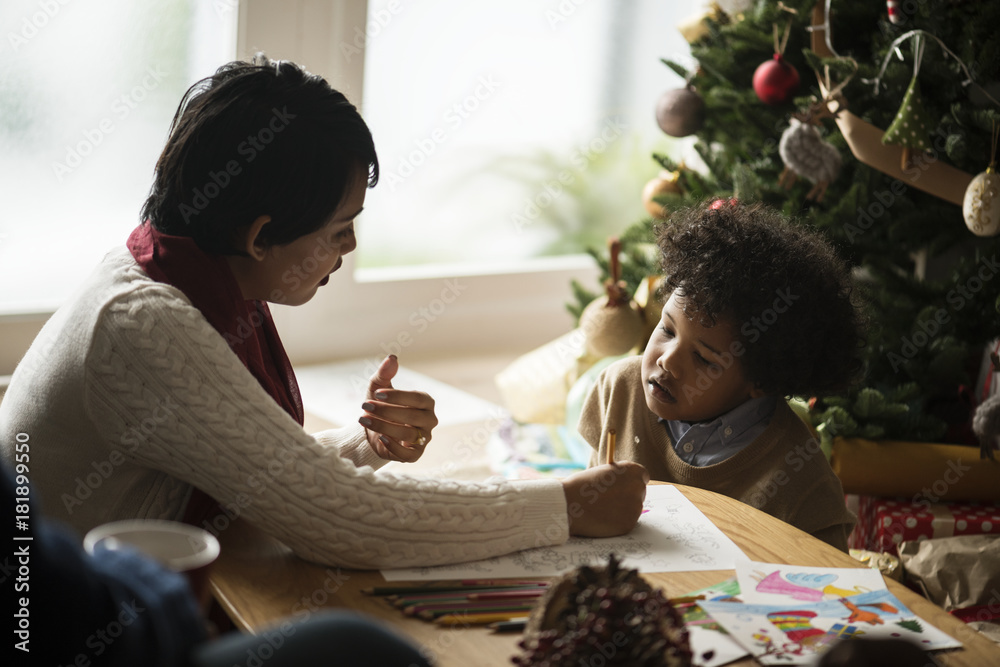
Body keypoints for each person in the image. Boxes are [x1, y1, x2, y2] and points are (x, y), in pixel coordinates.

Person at [0, 54, 648, 570]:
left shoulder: (164, 272)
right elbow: (343, 521)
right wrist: (566, 504)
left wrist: (365, 446)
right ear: (259, 236)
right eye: (340, 229)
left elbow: (267, 479)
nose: (351, 246)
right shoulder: (144, 325)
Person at [577, 200, 864, 551]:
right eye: (667, 329)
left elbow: (829, 584)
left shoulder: (800, 479)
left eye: (703, 359)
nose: (667, 361)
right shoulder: (619, 387)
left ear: (763, 380)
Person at [2, 463, 432, 667]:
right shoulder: (155, 317)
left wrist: (361, 446)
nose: (331, 277)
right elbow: (59, 608)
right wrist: (172, 610)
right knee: (359, 650)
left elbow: (243, 459)